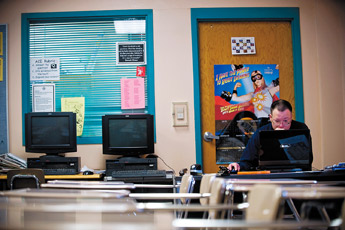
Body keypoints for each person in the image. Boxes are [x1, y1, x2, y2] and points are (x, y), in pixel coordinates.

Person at [227, 99, 313, 171]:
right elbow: (247, 161)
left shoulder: (301, 129)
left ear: (291, 117)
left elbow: (308, 160)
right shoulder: (261, 132)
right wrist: (238, 166)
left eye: (286, 121)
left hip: (296, 175)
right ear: (270, 117)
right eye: (277, 121)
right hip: (268, 176)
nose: (281, 125)